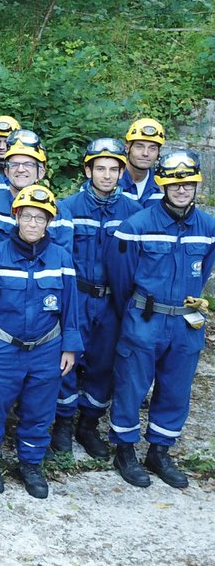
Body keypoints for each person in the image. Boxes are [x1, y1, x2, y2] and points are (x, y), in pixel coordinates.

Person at [107, 150, 215, 490]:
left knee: (176, 388)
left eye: (188, 184)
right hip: (145, 318)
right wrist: (139, 310)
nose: (182, 190)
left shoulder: (209, 228)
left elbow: (205, 269)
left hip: (185, 322)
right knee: (131, 386)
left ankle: (159, 450)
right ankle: (124, 450)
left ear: (197, 185)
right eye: (174, 184)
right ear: (162, 184)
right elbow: (121, 278)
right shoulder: (137, 226)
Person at [0, 185, 81, 498]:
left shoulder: (61, 258)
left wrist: (70, 345)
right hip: (3, 347)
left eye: (40, 218)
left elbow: (72, 306)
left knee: (40, 409)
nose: (33, 223)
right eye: (27, 216)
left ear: (49, 222)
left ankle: (31, 463)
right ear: (16, 217)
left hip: (47, 348)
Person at [49, 139, 141, 458]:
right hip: (77, 296)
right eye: (99, 168)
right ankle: (61, 425)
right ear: (87, 170)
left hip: (112, 301)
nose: (106, 175)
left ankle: (87, 425)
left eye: (113, 169)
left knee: (103, 364)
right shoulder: (66, 208)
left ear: (121, 172)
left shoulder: (134, 212)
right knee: (67, 360)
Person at [0, 131, 49, 248]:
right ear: (6, 171)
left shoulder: (57, 211)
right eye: (14, 164)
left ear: (41, 171)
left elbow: (61, 256)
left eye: (28, 164)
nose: (21, 169)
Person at [119, 117, 166, 204]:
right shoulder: (110, 182)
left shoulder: (163, 187)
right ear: (127, 148)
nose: (145, 153)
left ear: (158, 152)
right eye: (139, 147)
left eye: (152, 148)